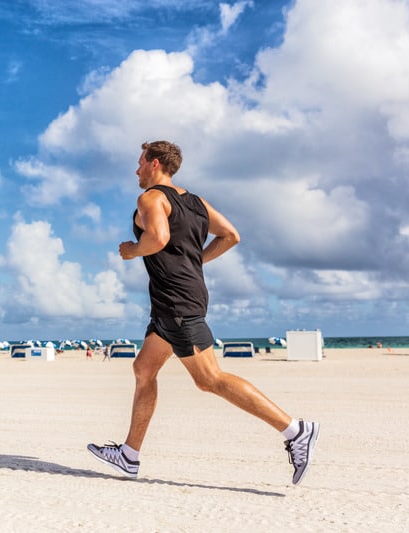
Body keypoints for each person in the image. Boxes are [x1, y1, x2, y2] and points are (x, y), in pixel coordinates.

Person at [87, 141, 319, 485]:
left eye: (139, 164)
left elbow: (159, 238)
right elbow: (231, 235)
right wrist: (194, 262)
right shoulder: (196, 203)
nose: (136, 170)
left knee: (209, 379)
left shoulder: (150, 198)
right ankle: (129, 455)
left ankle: (295, 430)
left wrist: (133, 250)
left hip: (177, 302)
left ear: (154, 164)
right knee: (143, 369)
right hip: (175, 300)